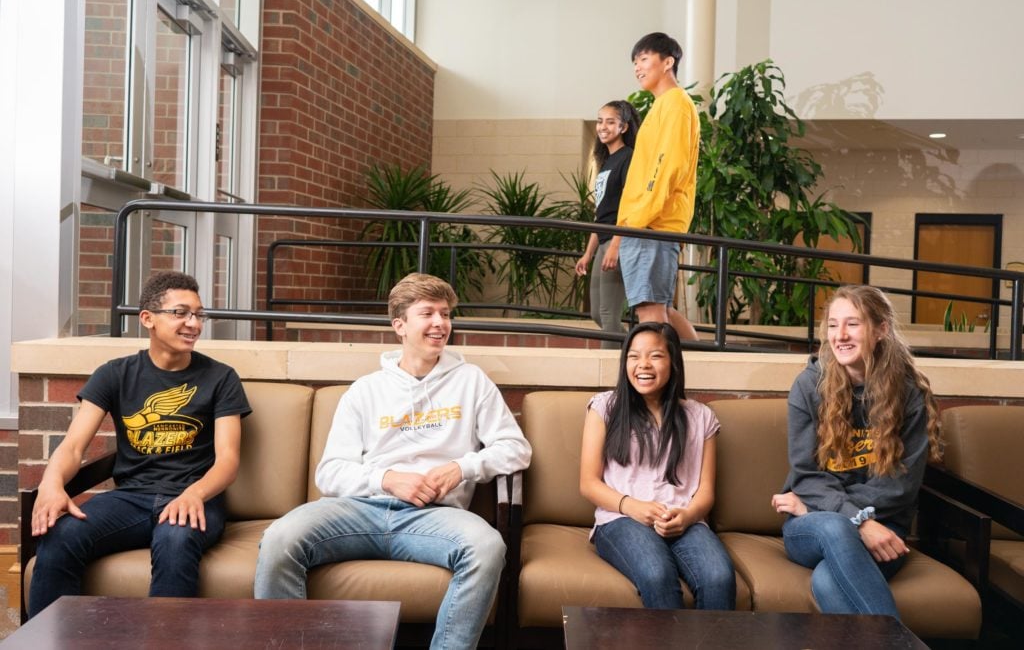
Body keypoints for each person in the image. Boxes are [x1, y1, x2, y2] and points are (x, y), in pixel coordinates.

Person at [254, 273, 532, 650]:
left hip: (434, 518)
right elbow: (330, 472)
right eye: (428, 314)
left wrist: (461, 468)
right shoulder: (366, 390)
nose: (440, 323)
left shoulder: (471, 381)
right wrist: (387, 479)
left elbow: (516, 448)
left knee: (487, 548)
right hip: (358, 511)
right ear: (399, 325)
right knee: (279, 539)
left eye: (446, 314)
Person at [28, 271, 251, 617]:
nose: (193, 323)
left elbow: (228, 460)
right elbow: (73, 447)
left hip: (194, 497)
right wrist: (51, 484)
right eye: (180, 313)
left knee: (175, 539)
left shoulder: (221, 377)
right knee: (62, 535)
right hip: (131, 499)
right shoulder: (115, 374)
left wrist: (193, 494)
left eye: (198, 314)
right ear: (147, 319)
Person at [770, 285, 942, 617]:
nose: (840, 335)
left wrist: (814, 505)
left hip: (885, 528)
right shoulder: (809, 386)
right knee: (835, 529)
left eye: (854, 323)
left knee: (828, 582)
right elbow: (807, 476)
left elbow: (900, 486)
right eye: (833, 325)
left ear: (881, 330)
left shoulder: (908, 392)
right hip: (812, 527)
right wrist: (858, 520)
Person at [579, 322, 735, 609]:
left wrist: (686, 517)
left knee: (719, 577)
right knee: (657, 574)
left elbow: (705, 492)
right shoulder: (605, 408)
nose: (643, 365)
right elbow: (588, 483)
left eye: (655, 356)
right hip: (620, 520)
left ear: (674, 362)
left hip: (683, 521)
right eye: (634, 356)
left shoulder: (701, 418)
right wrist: (632, 506)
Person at [617, 32, 700, 341]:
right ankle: (702, 368)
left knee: (650, 311)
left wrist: (637, 220)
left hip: (650, 224)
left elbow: (668, 166)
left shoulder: (676, 104)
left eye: (644, 58)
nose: (638, 67)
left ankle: (666, 378)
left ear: (668, 62)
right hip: (647, 224)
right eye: (635, 61)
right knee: (658, 309)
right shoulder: (662, 106)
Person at [575, 100, 641, 348]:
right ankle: (634, 347)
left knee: (608, 315)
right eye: (600, 121)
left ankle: (608, 372)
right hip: (602, 241)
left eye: (610, 122)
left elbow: (629, 207)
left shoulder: (628, 158)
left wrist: (615, 246)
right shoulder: (605, 162)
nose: (603, 127)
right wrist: (588, 253)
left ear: (624, 127)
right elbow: (601, 213)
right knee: (597, 315)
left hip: (618, 242)